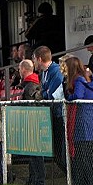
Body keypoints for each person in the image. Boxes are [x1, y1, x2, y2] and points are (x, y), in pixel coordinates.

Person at [63, 56, 93, 185]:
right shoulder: (89, 79)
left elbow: (77, 96)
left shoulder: (78, 80)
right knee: (88, 158)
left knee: (84, 158)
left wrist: (68, 96)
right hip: (89, 120)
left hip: (81, 121)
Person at [32, 46, 66, 177]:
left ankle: (76, 180)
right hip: (51, 114)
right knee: (57, 154)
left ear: (40, 59)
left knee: (61, 153)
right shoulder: (44, 73)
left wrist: (43, 93)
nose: (34, 62)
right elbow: (44, 91)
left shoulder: (55, 71)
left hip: (59, 115)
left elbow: (51, 93)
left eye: (34, 59)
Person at [17, 59, 44, 185]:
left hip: (33, 123)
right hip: (34, 122)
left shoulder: (30, 86)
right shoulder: (33, 83)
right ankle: (33, 180)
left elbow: (31, 105)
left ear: (23, 69)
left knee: (36, 155)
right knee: (33, 155)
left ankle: (37, 182)